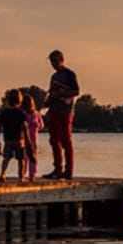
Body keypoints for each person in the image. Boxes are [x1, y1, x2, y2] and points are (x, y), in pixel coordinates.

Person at [42, 49, 79, 179]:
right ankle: (57, 169)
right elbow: (52, 92)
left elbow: (76, 91)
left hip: (65, 111)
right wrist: (47, 101)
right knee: (53, 140)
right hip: (54, 110)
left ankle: (68, 171)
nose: (53, 64)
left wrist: (60, 93)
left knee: (66, 141)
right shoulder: (54, 77)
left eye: (55, 61)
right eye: (51, 61)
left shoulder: (69, 74)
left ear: (61, 60)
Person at [0, 88, 27, 183]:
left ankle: (3, 173)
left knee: (6, 157)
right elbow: (24, 126)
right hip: (19, 139)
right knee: (21, 159)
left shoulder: (4, 113)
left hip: (8, 139)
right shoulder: (21, 113)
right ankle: (21, 177)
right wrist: (27, 139)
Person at [20, 93, 45, 182]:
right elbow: (42, 126)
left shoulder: (22, 114)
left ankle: (22, 174)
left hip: (23, 139)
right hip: (34, 139)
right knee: (33, 157)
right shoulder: (37, 114)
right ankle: (32, 175)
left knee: (24, 158)